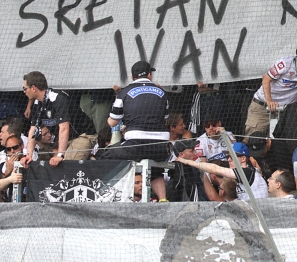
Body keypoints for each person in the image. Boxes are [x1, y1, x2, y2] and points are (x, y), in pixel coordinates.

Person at [103, 61, 171, 202]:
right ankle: (163, 200)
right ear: (149, 75)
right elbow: (165, 118)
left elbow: (112, 121)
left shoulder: (123, 92)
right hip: (161, 148)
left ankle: (112, 196)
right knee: (155, 169)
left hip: (135, 145)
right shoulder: (162, 93)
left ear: (132, 76)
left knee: (106, 154)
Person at [173, 141, 267, 201]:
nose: (229, 160)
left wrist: (186, 161)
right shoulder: (247, 172)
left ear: (243, 159)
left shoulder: (247, 172)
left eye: (232, 157)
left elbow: (215, 169)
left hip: (259, 214)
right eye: (228, 157)